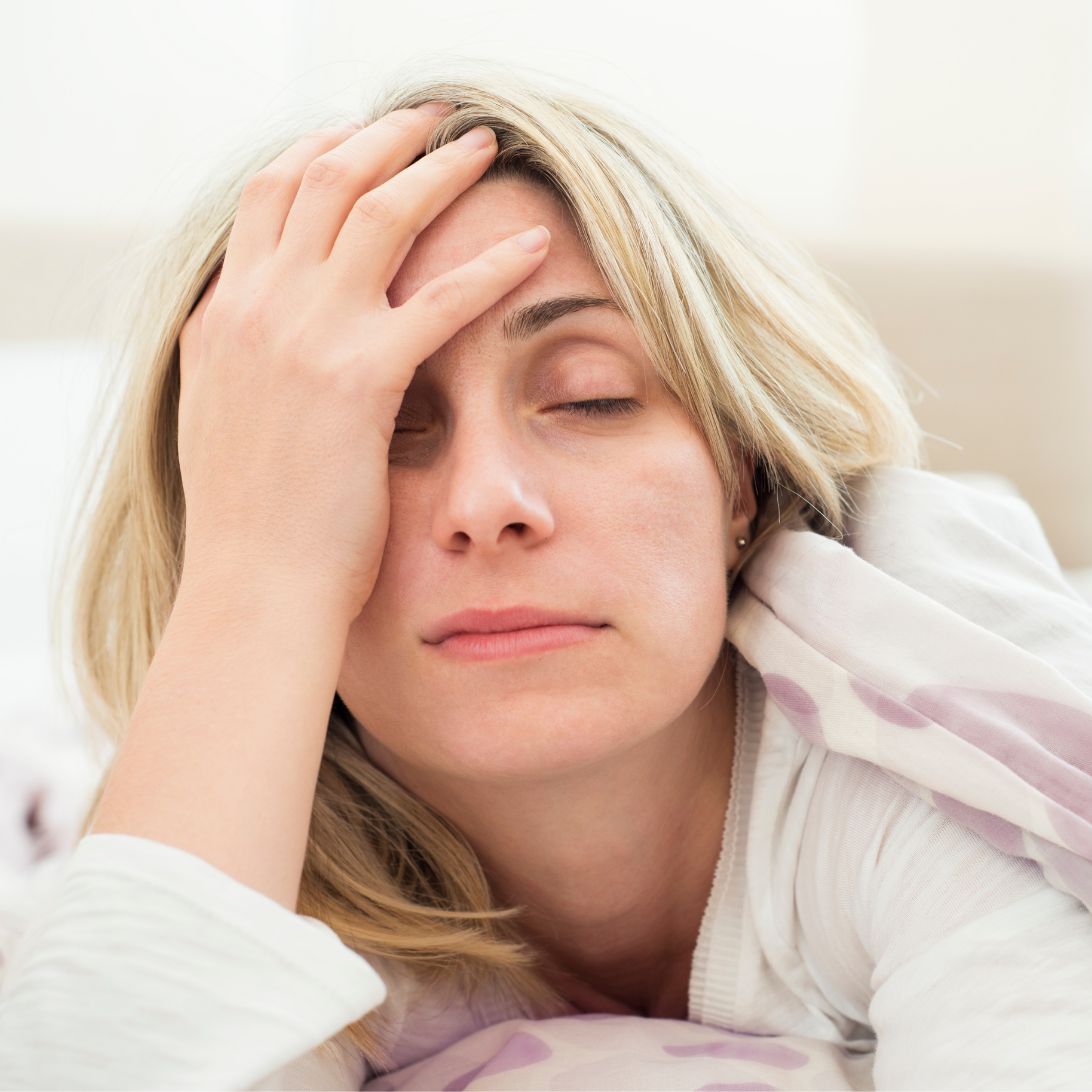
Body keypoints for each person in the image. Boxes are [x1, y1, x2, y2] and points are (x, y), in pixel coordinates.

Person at [2, 60, 1091, 1090]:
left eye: (589, 398)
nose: (487, 503)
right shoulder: (245, 863)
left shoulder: (927, 763)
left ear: (743, 484)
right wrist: (259, 571)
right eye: (379, 430)